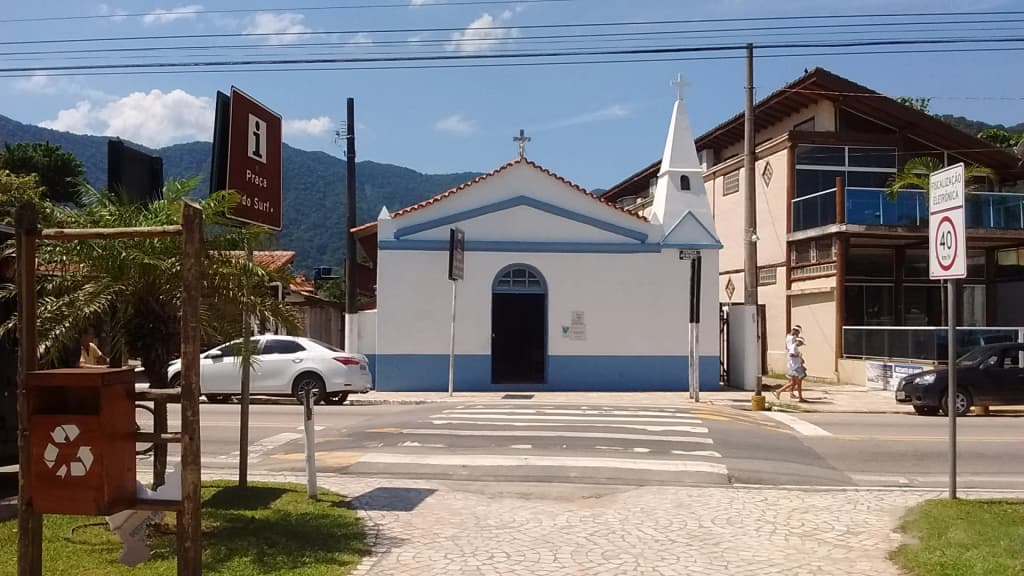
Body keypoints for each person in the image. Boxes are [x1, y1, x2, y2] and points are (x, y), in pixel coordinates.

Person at [775, 335, 807, 402]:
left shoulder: (796, 348)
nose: (801, 345)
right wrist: (798, 356)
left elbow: (796, 357)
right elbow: (791, 355)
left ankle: (779, 391)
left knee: (793, 383)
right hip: (795, 367)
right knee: (798, 382)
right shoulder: (793, 347)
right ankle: (800, 398)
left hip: (796, 366)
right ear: (798, 341)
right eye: (801, 343)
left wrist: (801, 359)